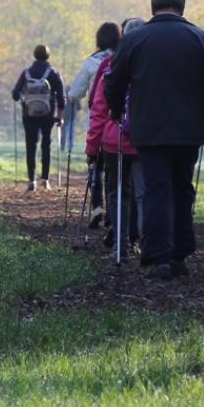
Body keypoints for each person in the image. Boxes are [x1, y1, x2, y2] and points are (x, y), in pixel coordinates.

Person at [106, 0, 204, 279]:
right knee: (182, 187)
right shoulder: (201, 39)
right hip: (189, 128)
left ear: (153, 7)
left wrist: (116, 110)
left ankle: (158, 254)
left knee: (156, 188)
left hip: (149, 127)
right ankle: (180, 252)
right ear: (182, 7)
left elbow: (115, 80)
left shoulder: (135, 39)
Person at [88, 21, 141, 251]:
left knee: (117, 192)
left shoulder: (109, 65)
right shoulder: (153, 65)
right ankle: (142, 241)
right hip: (145, 139)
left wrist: (92, 146)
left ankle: (121, 240)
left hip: (114, 140)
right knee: (143, 194)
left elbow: (98, 108)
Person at [72, 23, 121, 226]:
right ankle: (114, 213)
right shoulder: (123, 60)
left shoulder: (92, 62)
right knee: (114, 168)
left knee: (95, 164)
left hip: (96, 118)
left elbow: (74, 93)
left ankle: (97, 206)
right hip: (119, 121)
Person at [10, 44, 65, 191]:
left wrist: (22, 96)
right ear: (48, 56)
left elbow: (15, 95)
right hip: (47, 115)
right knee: (46, 145)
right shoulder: (53, 73)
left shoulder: (26, 73)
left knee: (31, 145)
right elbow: (61, 98)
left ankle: (31, 180)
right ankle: (45, 180)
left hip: (29, 115)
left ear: (34, 55)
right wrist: (59, 117)